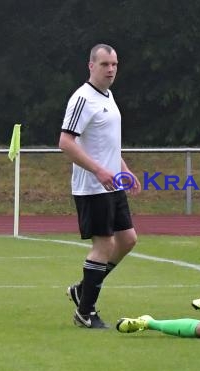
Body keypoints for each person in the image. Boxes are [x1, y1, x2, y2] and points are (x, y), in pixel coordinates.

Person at [58, 43, 141, 328]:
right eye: (105, 64)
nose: (110, 69)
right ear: (91, 66)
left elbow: (106, 143)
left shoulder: (108, 95)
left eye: (114, 64)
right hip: (92, 187)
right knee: (103, 246)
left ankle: (83, 290)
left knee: (128, 240)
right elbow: (65, 143)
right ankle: (86, 312)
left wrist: (124, 170)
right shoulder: (82, 98)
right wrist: (99, 171)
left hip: (111, 184)